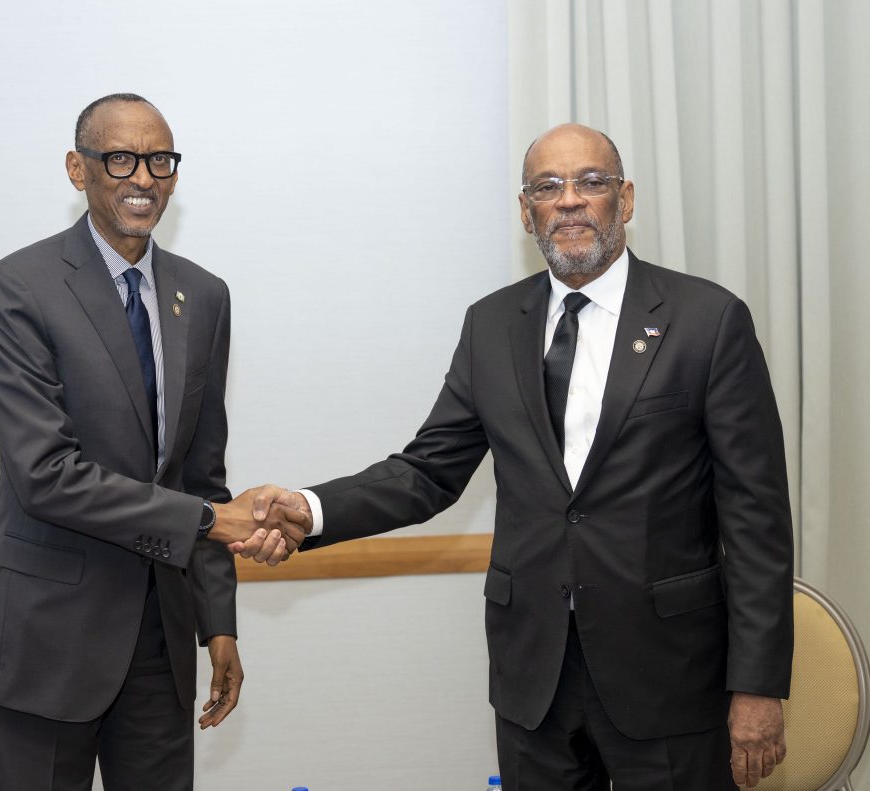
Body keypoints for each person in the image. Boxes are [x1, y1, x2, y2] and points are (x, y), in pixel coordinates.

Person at [240, 123, 794, 789]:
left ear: (626, 199)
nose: (569, 200)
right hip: (535, 678)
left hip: (669, 676)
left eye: (591, 182)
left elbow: (756, 523)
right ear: (526, 208)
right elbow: (427, 471)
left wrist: (758, 686)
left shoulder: (707, 320)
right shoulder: (493, 325)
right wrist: (311, 507)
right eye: (547, 186)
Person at [0, 93, 308, 791]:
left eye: (159, 160)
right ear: (77, 168)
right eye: (119, 158)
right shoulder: (18, 288)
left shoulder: (203, 297)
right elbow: (45, 473)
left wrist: (219, 625)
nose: (142, 178)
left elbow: (201, 471)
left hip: (159, 637)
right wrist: (209, 520)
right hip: (47, 633)